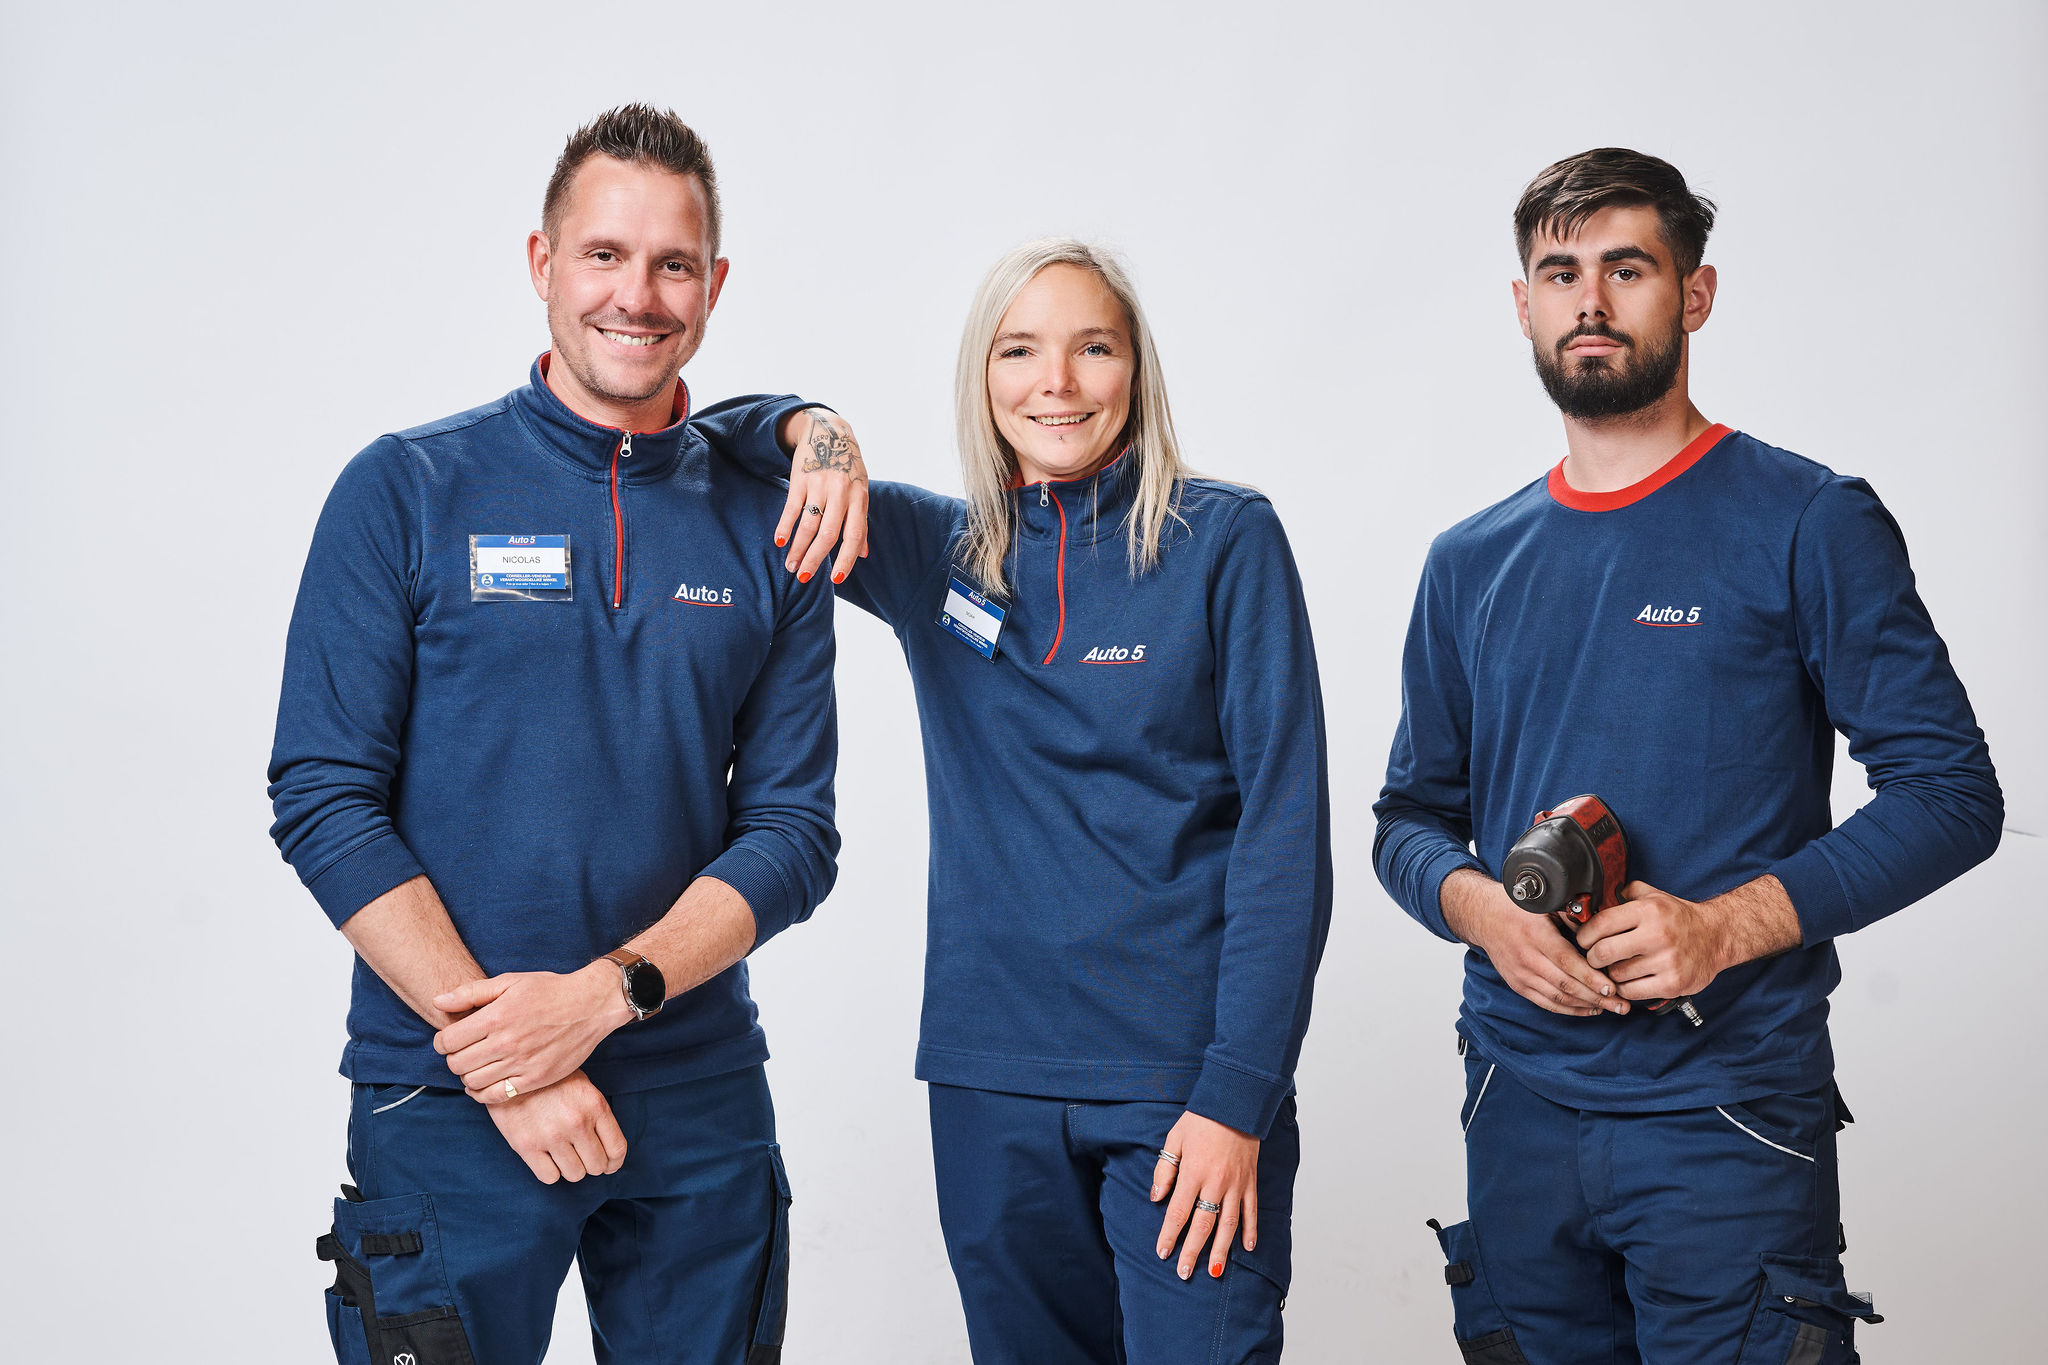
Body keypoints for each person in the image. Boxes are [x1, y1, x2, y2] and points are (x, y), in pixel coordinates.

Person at [1371, 148, 2003, 1364]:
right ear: (1521, 305)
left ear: (1693, 294)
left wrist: (1724, 927)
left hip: (1725, 1118)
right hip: (1514, 1104)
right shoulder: (1468, 561)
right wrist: (1477, 911)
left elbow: (1949, 795)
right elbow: (1407, 818)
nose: (1588, 302)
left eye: (1626, 269)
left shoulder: (1806, 519)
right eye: (1559, 274)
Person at [267, 104, 838, 1365]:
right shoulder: (405, 490)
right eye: (603, 255)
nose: (636, 295)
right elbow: (322, 795)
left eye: (672, 263)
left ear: (713, 285)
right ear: (542, 263)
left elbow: (792, 833)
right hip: (444, 1101)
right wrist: (510, 1061)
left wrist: (599, 1001)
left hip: (694, 1103)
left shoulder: (772, 524)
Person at [706, 239, 1331, 1364]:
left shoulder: (1225, 541)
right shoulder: (933, 553)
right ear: (980, 374)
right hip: (988, 1086)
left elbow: (1285, 836)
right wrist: (820, 430)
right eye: (1019, 350)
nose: (1057, 382)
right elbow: (713, 445)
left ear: (1135, 369)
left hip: (1180, 1088)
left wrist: (1237, 1098)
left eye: (1093, 348)